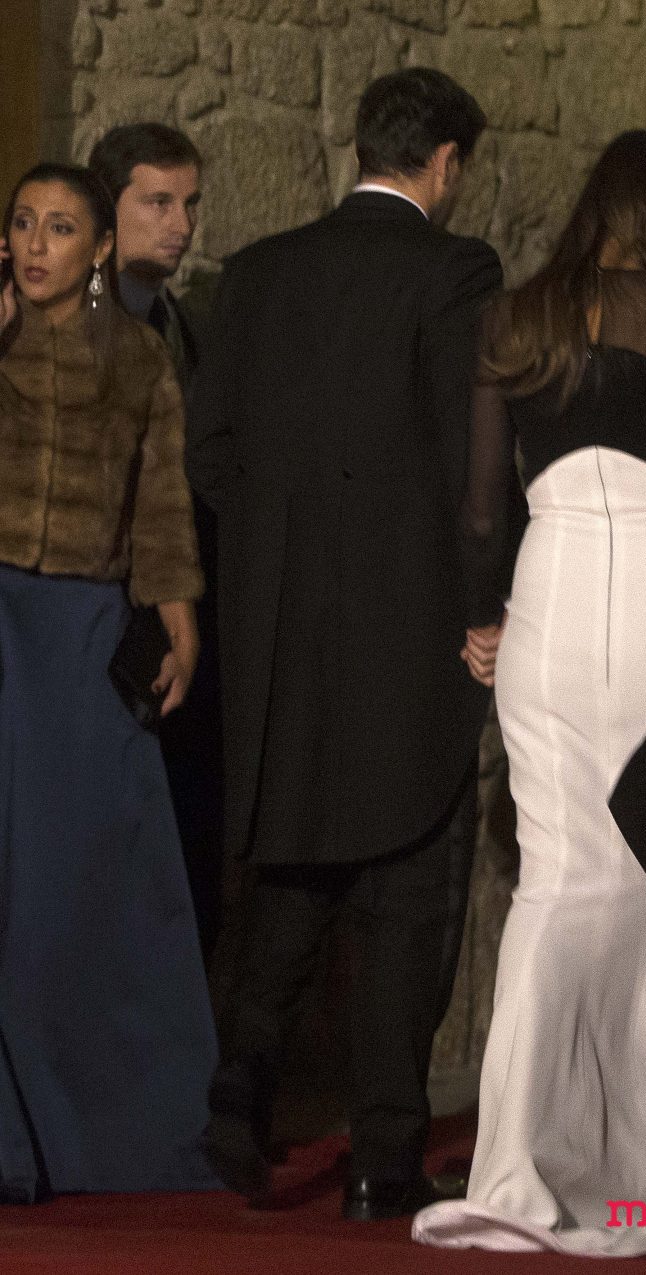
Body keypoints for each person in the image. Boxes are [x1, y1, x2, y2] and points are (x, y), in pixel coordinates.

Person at [412, 131, 646, 1259]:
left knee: (556, 880)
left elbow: (481, 509)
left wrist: (484, 618)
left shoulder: (512, 318)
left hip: (547, 596)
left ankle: (515, 1171)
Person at [187, 67, 511, 1219]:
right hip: (410, 632)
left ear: (362, 147)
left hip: (279, 636)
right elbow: (474, 467)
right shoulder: (455, 273)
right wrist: (486, 607)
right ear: (446, 164)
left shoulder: (255, 275)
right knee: (409, 889)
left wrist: (276, 564)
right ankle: (382, 1158)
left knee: (290, 874)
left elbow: (210, 455)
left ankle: (236, 1101)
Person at [0, 163, 218, 1200]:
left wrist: (178, 615)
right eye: (23, 224)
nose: (36, 244)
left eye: (60, 228)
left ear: (96, 250)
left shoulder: (137, 358)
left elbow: (163, 503)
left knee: (80, 876)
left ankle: (100, 1125)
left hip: (82, 633)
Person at [89, 123, 224, 964]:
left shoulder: (191, 330)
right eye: (159, 202)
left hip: (174, 636)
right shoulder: (58, 325)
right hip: (83, 631)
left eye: (190, 203)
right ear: (109, 208)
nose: (181, 224)